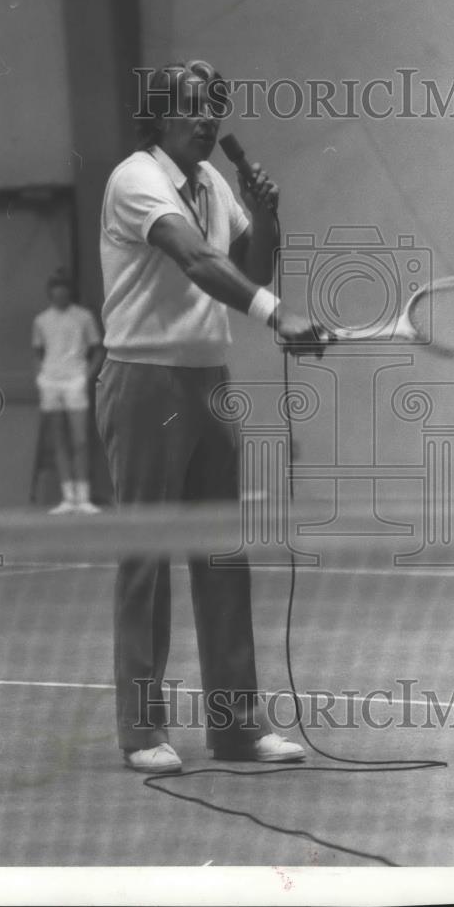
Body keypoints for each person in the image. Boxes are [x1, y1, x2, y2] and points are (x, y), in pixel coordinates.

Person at [96, 60, 328, 773]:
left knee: (224, 552)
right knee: (147, 558)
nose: (207, 119)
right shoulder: (137, 179)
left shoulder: (212, 183)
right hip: (143, 383)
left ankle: (234, 727)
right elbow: (196, 261)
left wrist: (269, 220)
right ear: (160, 114)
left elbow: (247, 271)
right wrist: (277, 314)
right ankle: (143, 733)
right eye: (192, 107)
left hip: (207, 383)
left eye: (214, 107)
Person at [33, 270, 104, 514]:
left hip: (75, 379)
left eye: (64, 286)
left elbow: (97, 349)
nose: (60, 291)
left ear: (70, 291)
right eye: (56, 286)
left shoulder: (83, 317)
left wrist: (86, 376)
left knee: (81, 439)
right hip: (51, 381)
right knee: (58, 439)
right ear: (50, 291)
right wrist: (41, 377)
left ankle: (83, 497)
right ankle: (68, 497)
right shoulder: (41, 320)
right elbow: (38, 352)